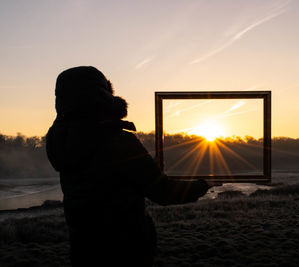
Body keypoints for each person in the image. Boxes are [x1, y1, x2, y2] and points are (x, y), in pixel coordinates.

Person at [46, 66, 215, 266]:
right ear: (104, 97)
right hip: (125, 250)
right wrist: (204, 184)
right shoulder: (117, 140)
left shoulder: (61, 141)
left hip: (84, 249)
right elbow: (164, 192)